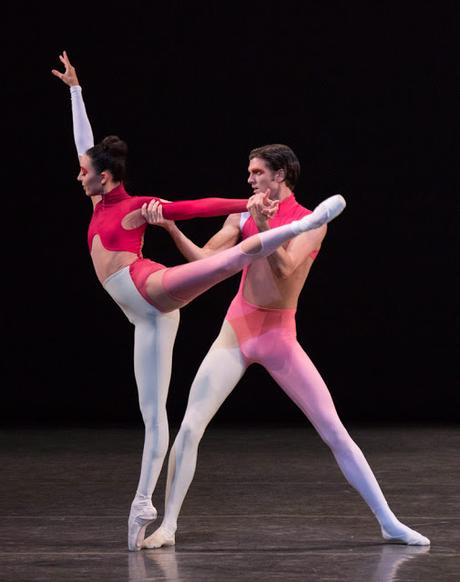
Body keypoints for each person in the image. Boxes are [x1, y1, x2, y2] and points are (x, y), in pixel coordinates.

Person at [52, 53, 346, 552]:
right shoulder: (99, 197)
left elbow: (197, 206)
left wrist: (247, 208)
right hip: (148, 320)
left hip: (152, 288)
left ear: (105, 178)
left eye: (85, 173)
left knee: (222, 265)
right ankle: (145, 504)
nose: (78, 176)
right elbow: (86, 145)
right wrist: (76, 91)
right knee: (156, 416)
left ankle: (297, 224)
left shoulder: (131, 209)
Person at [141, 144, 430, 548]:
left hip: (278, 336)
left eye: (257, 172)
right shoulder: (241, 213)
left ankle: (388, 521)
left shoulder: (311, 221)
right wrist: (171, 228)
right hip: (237, 330)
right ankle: (168, 526)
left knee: (334, 431)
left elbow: (286, 268)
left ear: (281, 176)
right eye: (249, 172)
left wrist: (262, 227)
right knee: (190, 427)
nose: (249, 179)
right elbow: (203, 259)